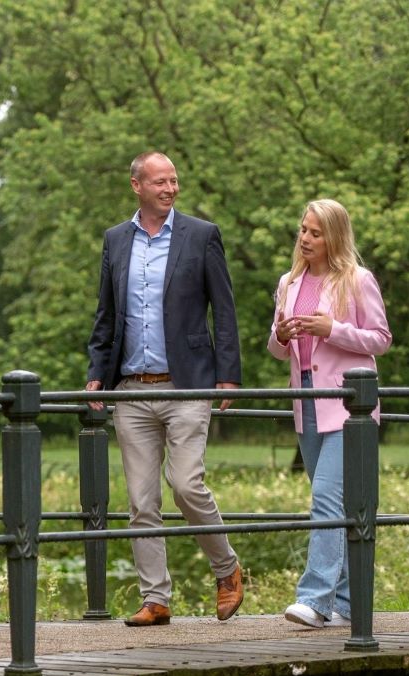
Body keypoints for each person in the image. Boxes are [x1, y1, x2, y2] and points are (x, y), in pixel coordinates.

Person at [86, 151, 246, 627]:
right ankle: (156, 599)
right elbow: (106, 316)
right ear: (136, 185)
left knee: (186, 484)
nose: (170, 189)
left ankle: (228, 569)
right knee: (141, 501)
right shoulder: (116, 240)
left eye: (174, 181)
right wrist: (97, 370)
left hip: (188, 383)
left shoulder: (201, 234)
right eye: (160, 182)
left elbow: (225, 307)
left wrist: (228, 372)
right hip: (131, 388)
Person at [267, 198, 392, 629]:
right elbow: (277, 346)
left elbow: (380, 339)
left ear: (334, 237)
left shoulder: (357, 280)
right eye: (303, 229)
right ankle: (346, 605)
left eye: (316, 233)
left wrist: (332, 329)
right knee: (335, 504)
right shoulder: (289, 281)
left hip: (347, 405)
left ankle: (314, 599)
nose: (305, 238)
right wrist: (281, 335)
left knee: (326, 498)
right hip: (305, 401)